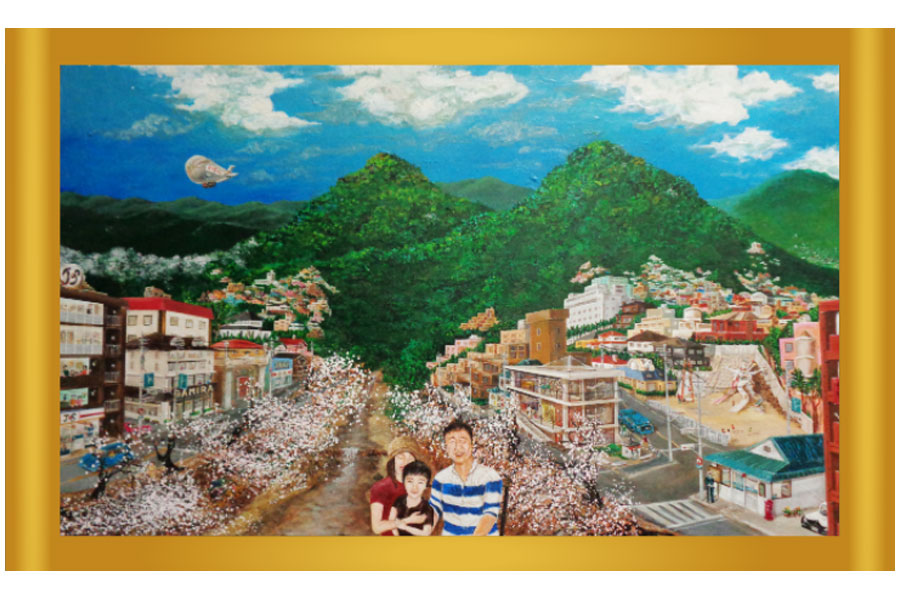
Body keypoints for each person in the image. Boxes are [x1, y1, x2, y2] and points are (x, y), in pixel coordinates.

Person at [429, 419, 503, 536]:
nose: (457, 447)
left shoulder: (490, 477)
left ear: (472, 444)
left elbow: (490, 514)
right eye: (452, 442)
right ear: (446, 447)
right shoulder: (441, 479)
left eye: (462, 441)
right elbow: (433, 512)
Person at [369, 436, 427, 536]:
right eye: (400, 457)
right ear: (393, 460)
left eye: (410, 458)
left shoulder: (419, 486)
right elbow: (376, 527)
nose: (405, 462)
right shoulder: (381, 487)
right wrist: (407, 520)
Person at [388, 460, 435, 536]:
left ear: (426, 485)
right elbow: (390, 522)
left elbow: (425, 533)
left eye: (420, 482)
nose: (414, 487)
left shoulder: (427, 508)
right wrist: (408, 520)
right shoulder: (399, 501)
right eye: (410, 481)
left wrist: (405, 527)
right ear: (404, 482)